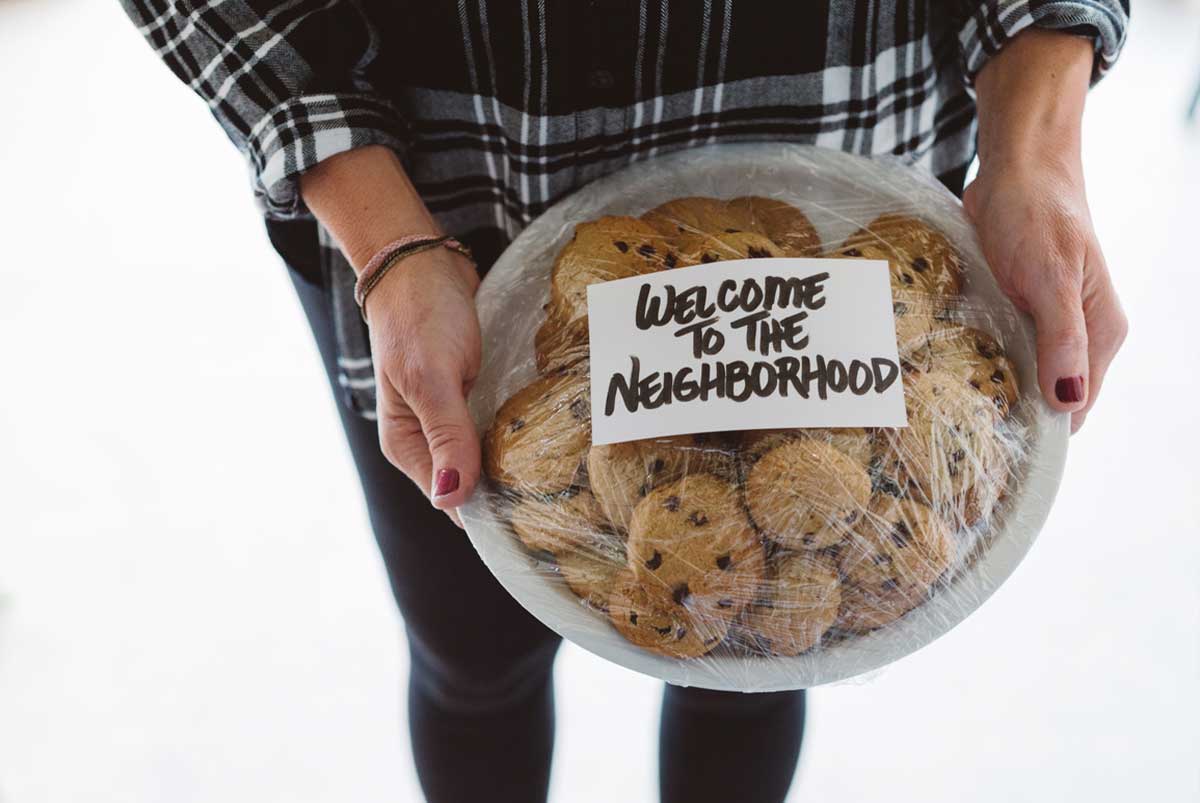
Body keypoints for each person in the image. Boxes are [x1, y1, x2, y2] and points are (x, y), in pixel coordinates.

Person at [120, 3, 1130, 801]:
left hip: (845, 218)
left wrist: (1038, 140)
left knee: (760, 654)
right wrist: (381, 228)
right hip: (448, 234)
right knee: (475, 659)